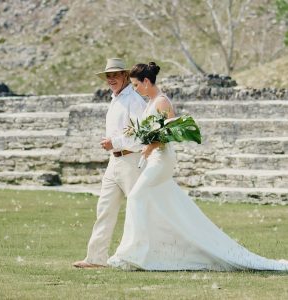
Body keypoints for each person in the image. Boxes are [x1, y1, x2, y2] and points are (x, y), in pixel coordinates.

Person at [107, 62, 288, 271]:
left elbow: (172, 131)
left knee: (137, 197)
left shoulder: (161, 102)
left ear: (146, 82)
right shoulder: (150, 102)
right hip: (152, 158)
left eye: (137, 85)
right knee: (160, 205)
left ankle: (132, 252)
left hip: (161, 159)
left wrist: (152, 145)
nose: (135, 89)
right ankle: (156, 250)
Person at [73, 58, 146, 268]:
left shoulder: (135, 100)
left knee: (137, 210)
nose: (111, 79)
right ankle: (96, 258)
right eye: (108, 76)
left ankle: (138, 256)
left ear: (124, 76)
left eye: (115, 75)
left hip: (131, 161)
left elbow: (140, 136)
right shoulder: (115, 99)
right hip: (114, 162)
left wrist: (114, 142)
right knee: (104, 208)